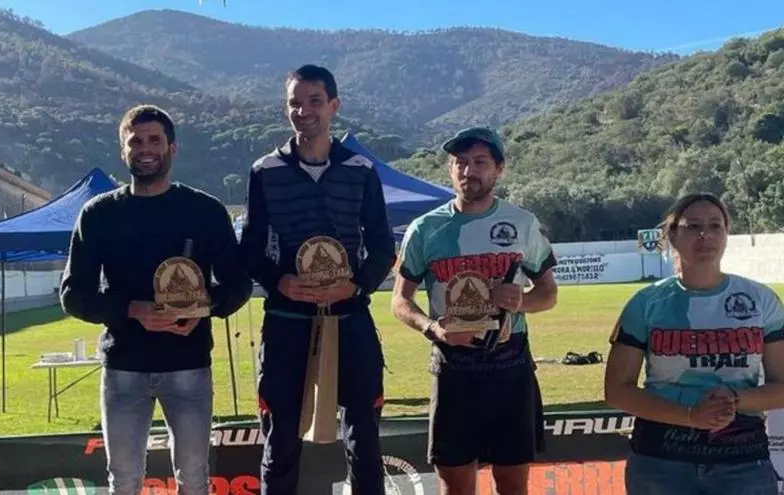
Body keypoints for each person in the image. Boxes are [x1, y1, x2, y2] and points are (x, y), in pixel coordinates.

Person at [59, 104, 253, 495]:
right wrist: (130, 310)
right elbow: (73, 295)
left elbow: (238, 283)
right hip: (123, 368)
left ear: (172, 148)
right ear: (123, 150)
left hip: (188, 366)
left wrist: (206, 307)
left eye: (154, 140)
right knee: (124, 480)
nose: (145, 149)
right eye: (135, 141)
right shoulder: (98, 215)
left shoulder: (205, 211)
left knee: (194, 479)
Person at [239, 64, 397, 495]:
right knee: (281, 440)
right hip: (287, 321)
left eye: (314, 101)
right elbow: (250, 249)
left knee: (365, 441)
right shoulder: (264, 170)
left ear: (334, 106)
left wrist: (357, 285)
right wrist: (281, 282)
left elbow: (382, 246)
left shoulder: (362, 169)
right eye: (295, 102)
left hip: (350, 319)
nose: (303, 111)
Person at [390, 126, 558, 495]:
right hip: (454, 367)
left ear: (499, 168)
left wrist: (521, 300)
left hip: (510, 365)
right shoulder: (425, 228)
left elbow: (548, 293)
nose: (469, 171)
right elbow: (400, 300)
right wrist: (433, 328)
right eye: (460, 162)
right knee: (455, 484)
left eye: (480, 162)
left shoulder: (522, 223)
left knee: (513, 485)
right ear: (450, 170)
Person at [604, 192, 784, 495]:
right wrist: (690, 416)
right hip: (661, 462)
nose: (705, 235)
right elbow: (617, 390)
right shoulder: (645, 303)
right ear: (673, 235)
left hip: (742, 462)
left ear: (726, 234)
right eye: (694, 226)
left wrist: (735, 399)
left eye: (715, 226)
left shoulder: (761, 300)